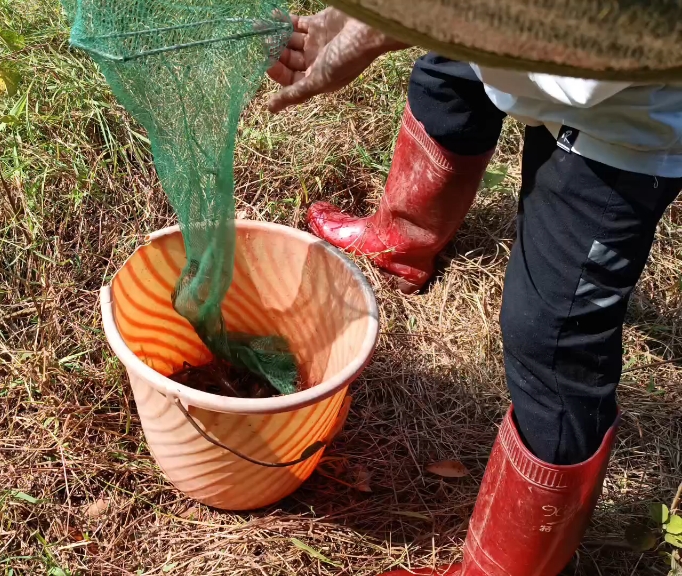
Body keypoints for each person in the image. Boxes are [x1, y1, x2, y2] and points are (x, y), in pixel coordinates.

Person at [266, 8, 682, 576]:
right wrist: (365, 17)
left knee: (551, 339)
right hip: (514, 34)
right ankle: (402, 240)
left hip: (627, 101)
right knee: (449, 77)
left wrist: (379, 28)